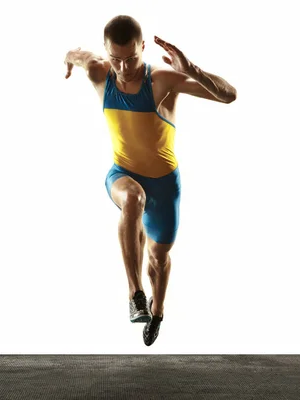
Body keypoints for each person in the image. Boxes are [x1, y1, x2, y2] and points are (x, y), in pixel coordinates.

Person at [64, 15, 236, 346]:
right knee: (132, 198)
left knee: (158, 259)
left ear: (142, 49)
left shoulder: (161, 80)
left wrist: (191, 70)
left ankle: (157, 310)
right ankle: (134, 294)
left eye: (131, 59)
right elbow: (75, 54)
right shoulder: (100, 71)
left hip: (164, 185)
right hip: (123, 174)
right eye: (116, 59)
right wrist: (69, 61)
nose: (124, 67)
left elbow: (229, 96)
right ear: (106, 52)